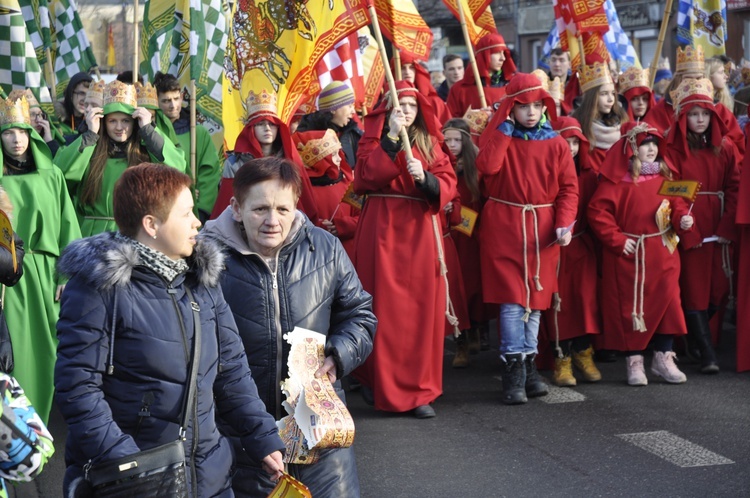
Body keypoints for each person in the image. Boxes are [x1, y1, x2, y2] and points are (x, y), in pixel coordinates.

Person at [55, 163, 286, 498]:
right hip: (135, 479)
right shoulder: (99, 287)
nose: (198, 223)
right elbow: (78, 388)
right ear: (151, 225)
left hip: (210, 476)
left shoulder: (202, 281)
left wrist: (263, 437)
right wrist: (128, 465)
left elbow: (232, 371)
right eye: (187, 213)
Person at [203, 157, 376, 497]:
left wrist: (338, 355)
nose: (272, 221)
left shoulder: (324, 248)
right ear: (236, 208)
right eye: (260, 209)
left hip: (320, 432)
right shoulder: (206, 258)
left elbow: (360, 314)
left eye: (283, 209)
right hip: (240, 435)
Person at [352, 81, 457, 419]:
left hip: (419, 232)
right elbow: (365, 178)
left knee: (420, 311)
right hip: (382, 231)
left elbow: (448, 184)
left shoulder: (430, 144)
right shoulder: (373, 140)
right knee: (383, 308)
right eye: (400, 105)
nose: (407, 111)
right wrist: (392, 139)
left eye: (412, 105)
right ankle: (378, 381)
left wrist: (427, 180)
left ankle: (419, 389)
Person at [476, 73, 578, 405]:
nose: (531, 113)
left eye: (536, 106)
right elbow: (487, 166)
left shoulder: (557, 143)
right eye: (523, 107)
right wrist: (502, 127)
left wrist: (564, 224)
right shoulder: (500, 135)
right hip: (505, 225)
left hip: (542, 228)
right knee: (511, 301)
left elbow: (568, 190)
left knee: (535, 302)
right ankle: (513, 370)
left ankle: (529, 364)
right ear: (511, 108)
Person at [588, 122, 693, 386]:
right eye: (645, 144)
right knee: (631, 307)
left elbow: (677, 206)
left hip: (662, 251)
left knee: (669, 303)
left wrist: (683, 221)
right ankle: (634, 360)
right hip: (630, 254)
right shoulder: (617, 180)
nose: (650, 149)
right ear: (632, 147)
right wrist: (616, 239)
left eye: (655, 144)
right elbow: (597, 212)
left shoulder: (666, 176)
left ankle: (663, 357)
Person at [0, 95, 81, 423]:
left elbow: (67, 227)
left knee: (47, 351)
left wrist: (66, 275)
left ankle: (39, 425)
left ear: (32, 134)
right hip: (6, 277)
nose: (16, 139)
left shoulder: (52, 177)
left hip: (46, 274)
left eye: (22, 131)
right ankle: (14, 430)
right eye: (8, 133)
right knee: (12, 352)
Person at [665, 78, 741, 374]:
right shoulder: (675, 151)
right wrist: (687, 227)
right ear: (684, 117)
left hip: (718, 222)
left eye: (705, 114)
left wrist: (726, 227)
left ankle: (696, 340)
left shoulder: (725, 148)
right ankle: (707, 353)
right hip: (693, 224)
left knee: (721, 289)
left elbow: (734, 188)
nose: (700, 119)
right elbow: (673, 189)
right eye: (694, 114)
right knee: (694, 289)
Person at [54, 80, 186, 237]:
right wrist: (90, 135)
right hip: (94, 237)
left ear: (134, 122)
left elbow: (177, 168)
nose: (119, 127)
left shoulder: (146, 153)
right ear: (104, 122)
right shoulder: (90, 152)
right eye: (112, 121)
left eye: (125, 121)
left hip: (136, 236)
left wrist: (148, 131)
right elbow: (59, 175)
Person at [541, 117, 601, 386]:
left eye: (576, 142)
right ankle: (561, 357)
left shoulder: (589, 174)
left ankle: (583, 352)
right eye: (566, 141)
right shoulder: (546, 171)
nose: (572, 147)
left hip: (581, 245)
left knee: (585, 299)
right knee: (558, 304)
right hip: (555, 247)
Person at [210, 89, 319, 221]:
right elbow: (226, 207)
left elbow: (301, 201)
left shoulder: (289, 160)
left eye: (272, 124)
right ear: (251, 129)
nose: (267, 129)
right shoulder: (235, 163)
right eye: (260, 124)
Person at [442, 118, 490, 364]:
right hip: (450, 236)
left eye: (457, 140)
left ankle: (477, 330)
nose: (451, 144)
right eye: (447, 139)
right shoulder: (439, 166)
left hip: (473, 238)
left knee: (474, 287)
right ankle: (460, 340)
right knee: (454, 289)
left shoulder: (476, 167)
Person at [154, 72, 222, 222]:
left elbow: (209, 172)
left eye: (176, 99)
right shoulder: (151, 134)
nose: (173, 105)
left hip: (194, 212)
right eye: (166, 101)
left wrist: (202, 208)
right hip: (159, 209)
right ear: (156, 101)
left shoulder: (198, 132)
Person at [292, 128, 359, 259]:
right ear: (319, 159)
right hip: (314, 255)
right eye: (333, 155)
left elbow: (363, 217)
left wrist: (342, 226)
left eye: (339, 153)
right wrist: (318, 226)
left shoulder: (348, 182)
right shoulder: (298, 189)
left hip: (348, 254)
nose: (340, 159)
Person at [570, 58, 629, 173]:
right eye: (604, 94)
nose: (610, 99)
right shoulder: (578, 124)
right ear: (592, 97)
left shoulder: (623, 121)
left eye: (612, 93)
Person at [295, 81, 363, 168]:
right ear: (333, 109)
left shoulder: (353, 134)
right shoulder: (305, 135)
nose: (353, 111)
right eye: (349, 106)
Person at [447, 33, 517, 117]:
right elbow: (451, 124)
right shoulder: (459, 90)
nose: (503, 58)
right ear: (484, 55)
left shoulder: (513, 85)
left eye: (503, 53)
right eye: (497, 52)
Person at [392, 54, 451, 124]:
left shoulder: (435, 102)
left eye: (411, 67)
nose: (407, 72)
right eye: (402, 68)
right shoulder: (387, 101)